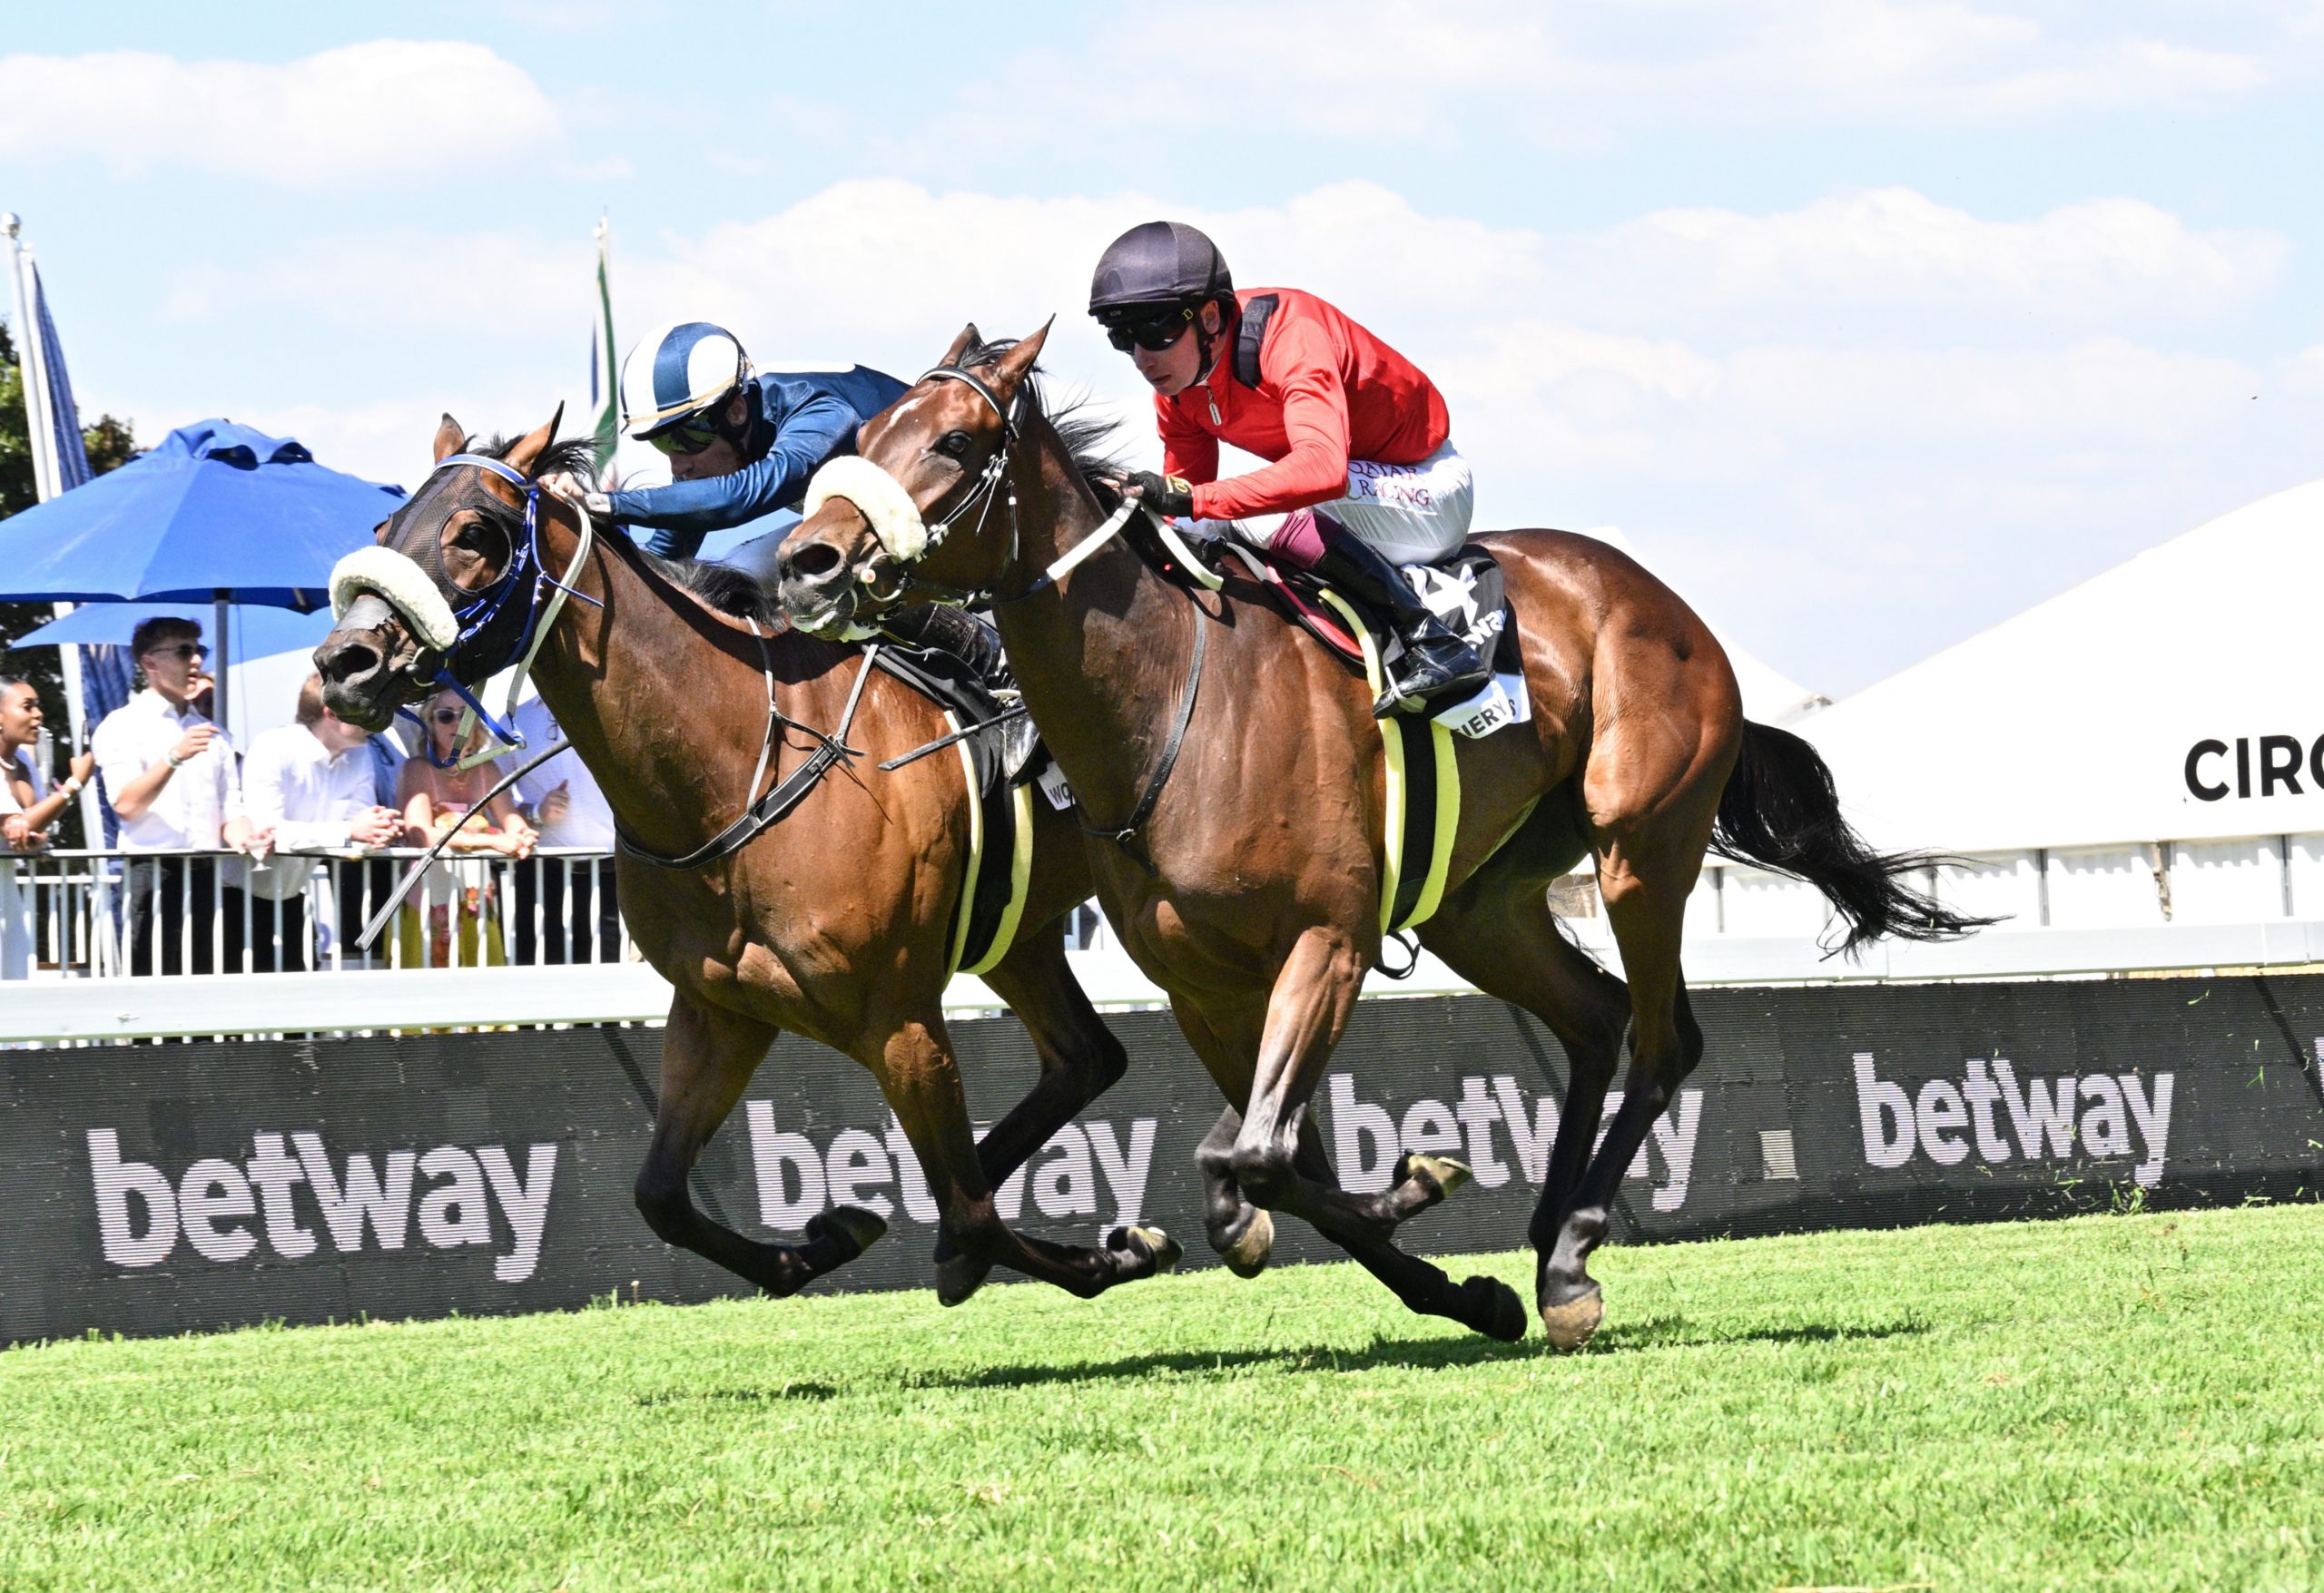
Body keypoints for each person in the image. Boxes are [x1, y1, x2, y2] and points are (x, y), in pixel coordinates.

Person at [1088, 220, 1491, 716]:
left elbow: (1323, 469)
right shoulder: (1176, 389)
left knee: (1255, 512)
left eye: (1157, 331)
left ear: (1210, 317)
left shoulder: (1290, 334)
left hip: (1428, 488)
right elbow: (1183, 502)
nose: (1142, 358)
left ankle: (1432, 639)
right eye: (1123, 338)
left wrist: (1192, 499)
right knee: (1195, 524)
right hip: (1358, 496)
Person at [90, 618, 251, 975]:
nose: (195, 661)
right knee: (152, 989)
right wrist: (173, 757)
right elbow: (126, 805)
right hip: (152, 873)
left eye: (198, 651)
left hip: (206, 872)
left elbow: (231, 810)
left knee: (205, 985)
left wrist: (248, 837)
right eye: (183, 651)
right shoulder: (121, 725)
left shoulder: (214, 734)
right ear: (149, 662)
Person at [239, 674, 405, 971]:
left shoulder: (360, 753)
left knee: (295, 1008)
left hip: (291, 901)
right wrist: (351, 831)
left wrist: (376, 834)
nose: (376, 720)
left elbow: (360, 829)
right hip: (233, 902)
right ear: (331, 713)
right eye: (365, 710)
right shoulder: (272, 747)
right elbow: (267, 830)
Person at [393, 689, 535, 968]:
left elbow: (512, 821)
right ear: (430, 725)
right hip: (428, 899)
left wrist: (522, 834)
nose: (457, 724)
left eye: (466, 716)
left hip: (475, 898)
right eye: (446, 716)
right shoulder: (417, 769)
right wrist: (492, 842)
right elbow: (421, 835)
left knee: (481, 984)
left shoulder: (488, 769)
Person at [507, 694, 622, 964]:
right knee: (541, 979)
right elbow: (494, 807)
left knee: (610, 982)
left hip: (611, 874)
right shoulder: (516, 720)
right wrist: (537, 812)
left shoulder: (613, 707)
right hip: (543, 877)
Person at [1, 674, 95, 852]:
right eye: (27, 707)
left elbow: (36, 828)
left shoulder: (22, 760)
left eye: (36, 706)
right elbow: (17, 828)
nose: (38, 714)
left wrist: (39, 840)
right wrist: (75, 783)